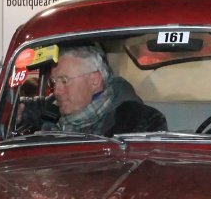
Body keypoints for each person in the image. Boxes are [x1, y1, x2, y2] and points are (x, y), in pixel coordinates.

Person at [36, 43, 166, 136]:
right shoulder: (49, 111)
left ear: (95, 81)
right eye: (53, 82)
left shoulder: (139, 123)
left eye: (64, 80)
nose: (56, 91)